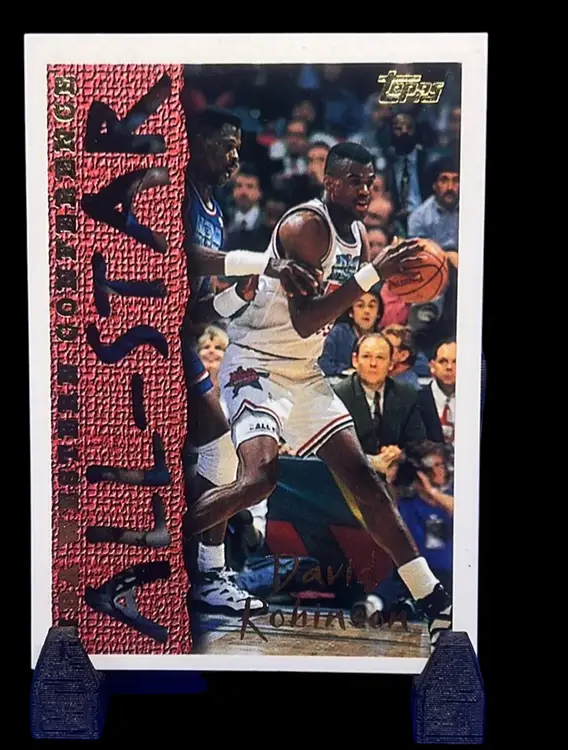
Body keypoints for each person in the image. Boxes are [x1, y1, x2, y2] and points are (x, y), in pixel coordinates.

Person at [183, 141, 452, 649]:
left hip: (303, 373)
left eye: (370, 182)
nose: (365, 190)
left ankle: (431, 597)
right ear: (330, 182)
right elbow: (306, 320)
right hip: (256, 365)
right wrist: (375, 275)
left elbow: (330, 312)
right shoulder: (305, 227)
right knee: (260, 478)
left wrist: (392, 278)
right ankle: (161, 546)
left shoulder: (357, 237)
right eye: (354, 181)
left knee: (365, 481)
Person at [178, 106, 321, 618]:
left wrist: (236, 296)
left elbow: (197, 307)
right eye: (227, 145)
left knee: (219, 450)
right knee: (214, 449)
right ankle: (192, 565)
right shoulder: (176, 196)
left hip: (178, 340)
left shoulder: (213, 209)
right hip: (147, 341)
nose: (235, 156)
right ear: (197, 142)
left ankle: (207, 571)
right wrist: (262, 263)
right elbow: (179, 258)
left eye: (239, 147)